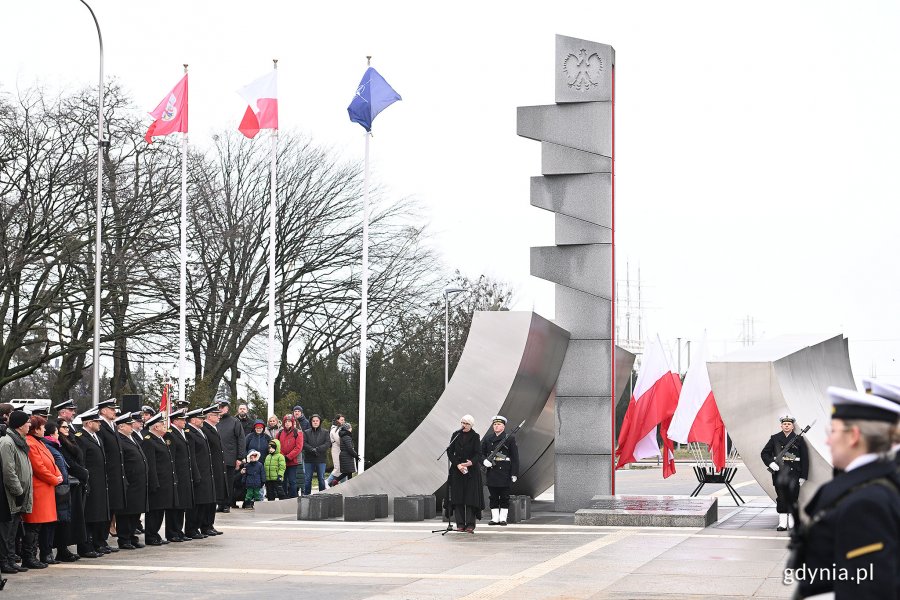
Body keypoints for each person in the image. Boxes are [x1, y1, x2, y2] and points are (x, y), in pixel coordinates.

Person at [791, 382, 900, 599]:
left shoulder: (867, 503)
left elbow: (867, 588)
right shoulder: (869, 485)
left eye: (833, 431)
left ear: (853, 436)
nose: (827, 440)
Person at [23, 415, 62, 568]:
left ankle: (33, 556)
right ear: (35, 428)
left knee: (38, 526)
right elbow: (38, 467)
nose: (45, 429)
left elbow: (51, 462)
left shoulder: (38, 442)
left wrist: (57, 474)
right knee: (33, 525)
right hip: (39, 490)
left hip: (45, 489)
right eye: (42, 427)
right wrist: (54, 478)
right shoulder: (31, 443)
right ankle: (29, 557)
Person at [761, 414, 809, 531]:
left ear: (792, 426)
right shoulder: (775, 438)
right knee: (781, 497)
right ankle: (782, 523)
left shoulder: (799, 439)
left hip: (794, 472)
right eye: (784, 424)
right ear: (781, 425)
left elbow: (805, 458)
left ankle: (792, 523)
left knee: (793, 497)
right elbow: (764, 453)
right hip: (780, 472)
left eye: (789, 424)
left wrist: (803, 476)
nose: (786, 426)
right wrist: (771, 463)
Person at [0, 411, 33, 574]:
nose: (30, 425)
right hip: (9, 495)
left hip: (19, 494)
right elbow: (9, 471)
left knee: (13, 531)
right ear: (20, 425)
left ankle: (11, 560)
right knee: (6, 531)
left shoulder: (19, 441)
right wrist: (18, 491)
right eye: (28, 422)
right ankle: (4, 562)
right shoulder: (7, 442)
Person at [73, 408, 108, 558]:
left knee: (97, 514)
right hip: (89, 482)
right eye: (97, 421)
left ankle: (95, 543)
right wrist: (85, 481)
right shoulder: (80, 437)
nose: (99, 424)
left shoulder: (96, 437)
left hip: (99, 482)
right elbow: (81, 462)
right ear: (89, 423)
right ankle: (85, 546)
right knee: (88, 515)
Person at [55, 420, 90, 561]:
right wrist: (83, 473)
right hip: (68, 484)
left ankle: (65, 549)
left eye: (67, 426)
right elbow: (68, 463)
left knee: (73, 518)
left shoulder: (70, 440)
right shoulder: (60, 444)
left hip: (77, 483)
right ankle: (61, 550)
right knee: (64, 519)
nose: (67, 429)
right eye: (63, 427)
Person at [142, 412, 176, 546]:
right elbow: (151, 464)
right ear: (155, 427)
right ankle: (150, 536)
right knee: (154, 511)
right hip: (157, 482)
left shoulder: (159, 439)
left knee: (160, 509)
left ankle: (155, 534)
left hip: (165, 481)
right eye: (162, 424)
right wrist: (154, 482)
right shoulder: (149, 441)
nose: (164, 427)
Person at [115, 413, 148, 550]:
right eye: (129, 425)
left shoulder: (132, 437)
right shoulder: (120, 440)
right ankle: (124, 539)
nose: (131, 426)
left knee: (136, 511)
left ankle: (132, 536)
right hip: (130, 481)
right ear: (121, 426)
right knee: (126, 513)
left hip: (139, 482)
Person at [96, 398, 125, 552]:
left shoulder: (111, 425)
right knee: (105, 509)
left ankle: (103, 540)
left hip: (115, 473)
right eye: (112, 409)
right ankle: (99, 540)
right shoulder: (101, 426)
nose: (115, 412)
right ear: (103, 411)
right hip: (107, 473)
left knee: (111, 507)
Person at [447, 414, 484, 533]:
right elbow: (450, 452)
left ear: (471, 425)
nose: (464, 425)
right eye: (462, 422)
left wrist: (470, 463)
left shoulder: (475, 436)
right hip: (457, 470)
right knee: (458, 497)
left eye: (467, 423)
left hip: (471, 471)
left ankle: (470, 524)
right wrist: (458, 464)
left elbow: (478, 454)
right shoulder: (455, 435)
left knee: (470, 498)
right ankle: (460, 524)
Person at [40, 422, 70, 564]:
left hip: (60, 487)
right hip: (54, 487)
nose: (60, 434)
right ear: (52, 434)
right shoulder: (48, 446)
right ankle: (46, 553)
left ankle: (51, 552)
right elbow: (45, 467)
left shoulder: (54, 446)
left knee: (56, 521)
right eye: (58, 431)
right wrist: (56, 478)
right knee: (49, 523)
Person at [481, 415, 519, 526]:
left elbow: (515, 457)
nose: (496, 426)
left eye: (499, 424)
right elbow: (481, 453)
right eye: (495, 424)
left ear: (503, 426)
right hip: (492, 471)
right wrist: (484, 461)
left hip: (504, 471)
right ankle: (495, 518)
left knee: (504, 496)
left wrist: (514, 473)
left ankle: (502, 518)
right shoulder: (488, 438)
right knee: (493, 496)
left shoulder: (509, 438)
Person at [184, 409, 215, 540]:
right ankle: (191, 528)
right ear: (193, 420)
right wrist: (195, 473)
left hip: (205, 472)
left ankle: (198, 527)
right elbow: (192, 456)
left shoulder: (199, 431)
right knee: (197, 503)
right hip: (198, 473)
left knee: (204, 502)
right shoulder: (190, 433)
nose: (202, 420)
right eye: (200, 418)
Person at [164, 409, 194, 543]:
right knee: (175, 506)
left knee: (182, 504)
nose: (185, 422)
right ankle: (172, 532)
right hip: (177, 475)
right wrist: (174, 475)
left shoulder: (182, 433)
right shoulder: (170, 434)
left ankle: (178, 531)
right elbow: (171, 458)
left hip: (184, 475)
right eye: (182, 420)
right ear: (175, 421)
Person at [215, 400, 245, 512]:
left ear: (227, 408)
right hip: (217, 458)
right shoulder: (215, 421)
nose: (221, 409)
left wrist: (240, 458)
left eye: (223, 407)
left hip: (230, 457)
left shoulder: (234, 422)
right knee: (219, 482)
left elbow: (241, 440)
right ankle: (220, 503)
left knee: (228, 482)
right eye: (219, 407)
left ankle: (227, 504)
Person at [202, 405, 226, 536]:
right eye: (216, 415)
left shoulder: (213, 428)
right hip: (210, 468)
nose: (219, 417)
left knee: (214, 498)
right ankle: (205, 525)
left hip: (216, 468)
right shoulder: (205, 429)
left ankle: (210, 524)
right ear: (209, 416)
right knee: (209, 499)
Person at [276, 415, 303, 498]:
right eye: (286, 422)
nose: (287, 423)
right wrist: (282, 456)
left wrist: (288, 457)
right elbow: (276, 445)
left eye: (289, 421)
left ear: (292, 422)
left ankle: (293, 497)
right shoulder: (279, 433)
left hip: (293, 461)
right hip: (282, 461)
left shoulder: (297, 433)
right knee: (283, 481)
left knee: (292, 481)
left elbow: (298, 447)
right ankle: (283, 498)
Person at [303, 414, 330, 494]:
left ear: (320, 422)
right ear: (311, 422)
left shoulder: (325, 432)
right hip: (309, 459)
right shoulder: (306, 432)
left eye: (317, 421)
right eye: (313, 421)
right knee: (307, 479)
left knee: (321, 479)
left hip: (321, 459)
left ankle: (321, 496)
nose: (315, 422)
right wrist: (312, 449)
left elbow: (327, 443)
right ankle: (307, 497)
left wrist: (317, 449)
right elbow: (304, 443)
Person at [326, 414, 346, 487]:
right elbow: (339, 441)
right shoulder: (335, 429)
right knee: (338, 468)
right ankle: (327, 481)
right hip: (336, 450)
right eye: (341, 420)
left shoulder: (340, 428)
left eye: (344, 420)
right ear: (337, 420)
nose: (343, 421)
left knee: (343, 469)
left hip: (341, 450)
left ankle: (344, 485)